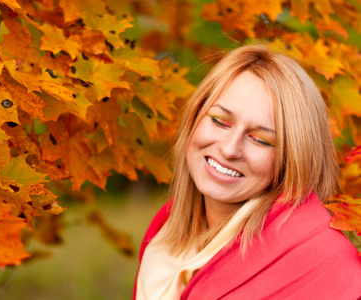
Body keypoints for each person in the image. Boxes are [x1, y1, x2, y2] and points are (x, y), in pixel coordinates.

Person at [133, 44, 361, 299]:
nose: (230, 149)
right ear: (195, 116)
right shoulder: (164, 227)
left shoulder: (322, 265)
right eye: (220, 121)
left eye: (260, 139)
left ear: (293, 158)